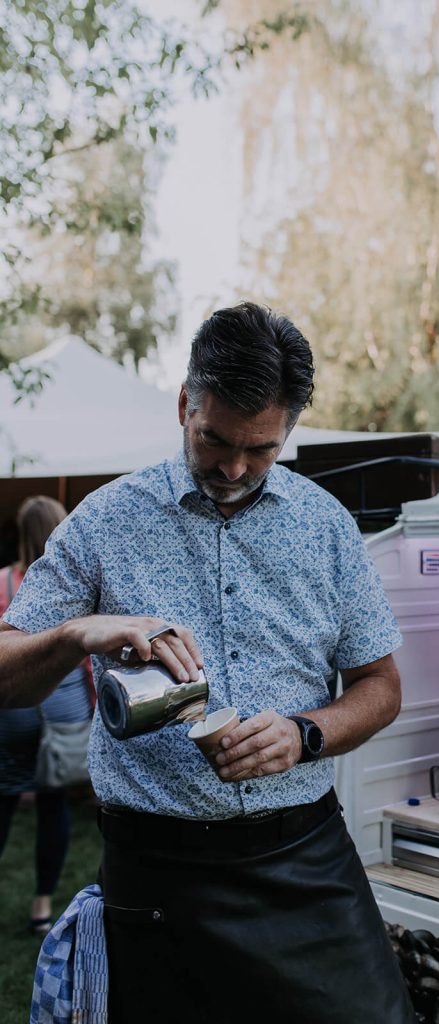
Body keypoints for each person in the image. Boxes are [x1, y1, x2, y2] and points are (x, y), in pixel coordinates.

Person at [0, 303, 416, 1024]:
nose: (233, 467)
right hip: (158, 870)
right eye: (214, 439)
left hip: (304, 856)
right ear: (184, 403)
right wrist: (77, 635)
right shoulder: (104, 520)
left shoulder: (326, 526)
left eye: (260, 449)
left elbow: (379, 688)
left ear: (290, 426)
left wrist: (306, 733)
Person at [0, 495, 93, 935]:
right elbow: (92, 660)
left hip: (12, 712)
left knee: (2, 801)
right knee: (54, 804)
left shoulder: (2, 583)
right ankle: (41, 907)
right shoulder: (78, 590)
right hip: (66, 703)